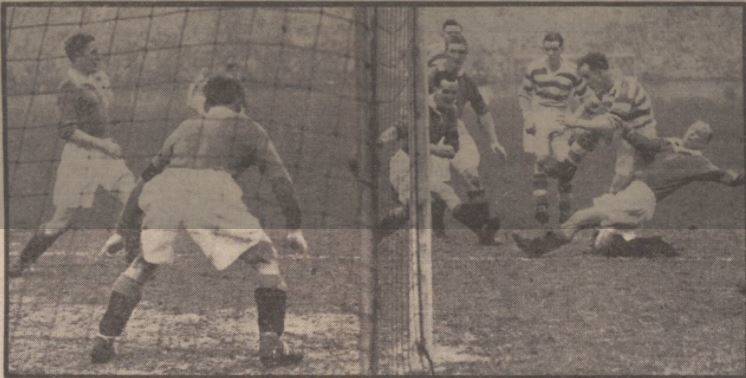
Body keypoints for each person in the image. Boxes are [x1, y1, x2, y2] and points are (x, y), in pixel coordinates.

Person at [90, 76, 309, 368]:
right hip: (212, 190)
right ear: (238, 102)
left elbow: (145, 178)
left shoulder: (186, 127)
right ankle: (271, 345)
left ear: (207, 102)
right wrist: (294, 227)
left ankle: (104, 338)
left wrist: (121, 230)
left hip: (166, 190)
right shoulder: (251, 129)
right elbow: (281, 181)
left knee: (142, 265)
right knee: (265, 261)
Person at [512, 120, 744, 257]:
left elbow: (729, 179)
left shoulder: (700, 162)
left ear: (704, 143)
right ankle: (655, 246)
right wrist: (625, 128)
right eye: (692, 129)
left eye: (699, 135)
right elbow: (645, 143)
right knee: (603, 243)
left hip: (641, 199)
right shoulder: (670, 143)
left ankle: (537, 247)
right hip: (633, 192)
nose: (693, 135)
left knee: (582, 217)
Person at [9, 32, 136, 277]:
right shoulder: (69, 86)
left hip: (105, 152)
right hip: (80, 157)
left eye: (98, 52)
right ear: (77, 57)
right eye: (92, 53)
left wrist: (106, 141)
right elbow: (67, 131)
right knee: (62, 219)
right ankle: (22, 262)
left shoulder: (98, 78)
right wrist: (103, 145)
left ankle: (132, 258)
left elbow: (102, 114)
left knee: (133, 198)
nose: (98, 56)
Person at [377, 70, 500, 245]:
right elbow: (398, 130)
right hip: (405, 164)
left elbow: (452, 147)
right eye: (446, 91)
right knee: (413, 207)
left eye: (454, 92)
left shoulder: (451, 111)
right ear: (435, 89)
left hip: (423, 162)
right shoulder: (420, 108)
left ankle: (482, 230)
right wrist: (380, 141)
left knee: (447, 194)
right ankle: (375, 235)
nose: (450, 96)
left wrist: (431, 148)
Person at [428, 34, 507, 241]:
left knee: (472, 176)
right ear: (445, 51)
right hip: (431, 132)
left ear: (466, 55)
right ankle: (437, 228)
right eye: (453, 51)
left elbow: (482, 111)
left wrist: (494, 140)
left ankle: (484, 231)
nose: (457, 56)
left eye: (461, 52)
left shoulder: (466, 81)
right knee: (439, 185)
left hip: (455, 129)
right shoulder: (432, 76)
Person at [518, 32, 593, 224]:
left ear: (562, 49)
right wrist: (528, 117)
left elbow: (588, 98)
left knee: (563, 163)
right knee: (541, 158)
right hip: (539, 112)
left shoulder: (572, 69)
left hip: (561, 114)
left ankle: (564, 209)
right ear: (544, 49)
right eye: (547, 48)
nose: (551, 52)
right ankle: (541, 205)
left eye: (555, 48)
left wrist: (574, 119)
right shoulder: (534, 68)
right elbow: (524, 94)